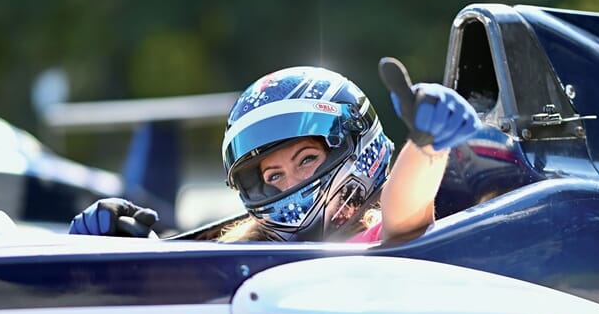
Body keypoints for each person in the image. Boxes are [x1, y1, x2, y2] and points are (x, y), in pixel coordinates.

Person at [69, 59, 480, 243]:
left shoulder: (380, 238)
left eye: (306, 160)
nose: (291, 183)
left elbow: (404, 207)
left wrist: (427, 145)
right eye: (274, 176)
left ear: (357, 147)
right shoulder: (246, 252)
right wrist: (107, 250)